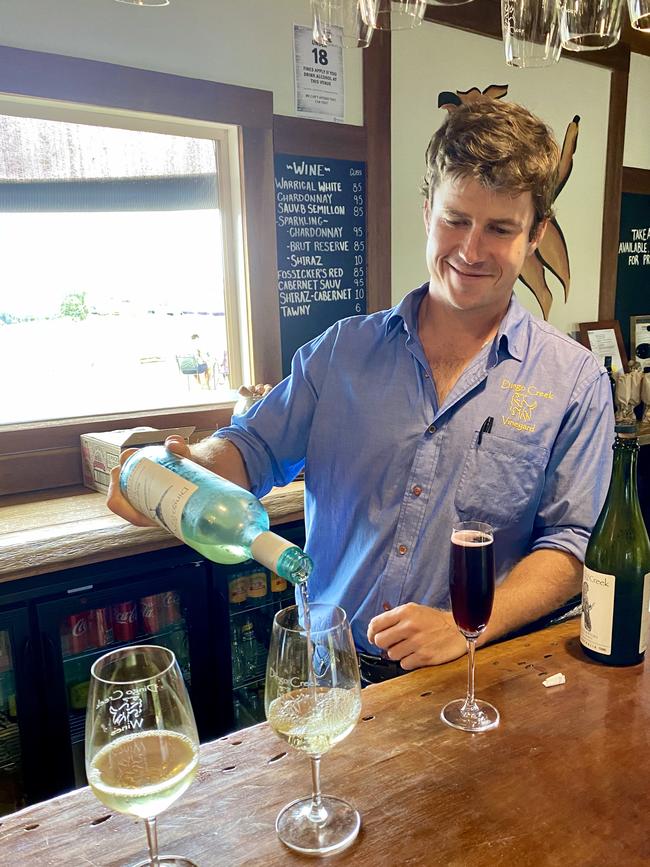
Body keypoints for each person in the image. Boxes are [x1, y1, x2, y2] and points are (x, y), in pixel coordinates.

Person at [108, 99, 614, 682]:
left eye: (500, 228)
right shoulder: (340, 352)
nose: (471, 251)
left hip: (477, 676)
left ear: (535, 235)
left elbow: (572, 547)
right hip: (332, 672)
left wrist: (464, 624)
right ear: (427, 212)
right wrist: (182, 474)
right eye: (456, 219)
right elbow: (250, 450)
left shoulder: (574, 381)